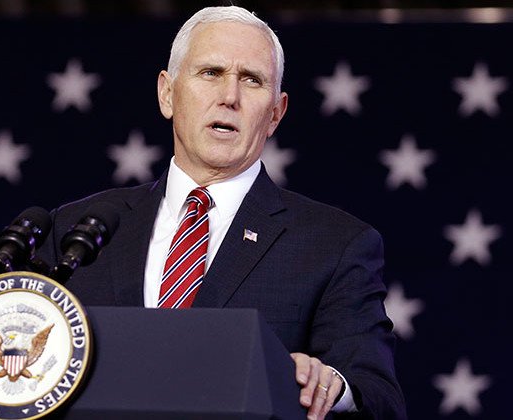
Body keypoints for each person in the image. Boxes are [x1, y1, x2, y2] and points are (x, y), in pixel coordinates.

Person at [35, 6, 405, 419]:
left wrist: (333, 386)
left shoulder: (335, 245)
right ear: (167, 94)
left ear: (276, 113)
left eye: (252, 80)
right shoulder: (76, 232)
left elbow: (379, 399)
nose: (230, 96)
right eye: (210, 73)